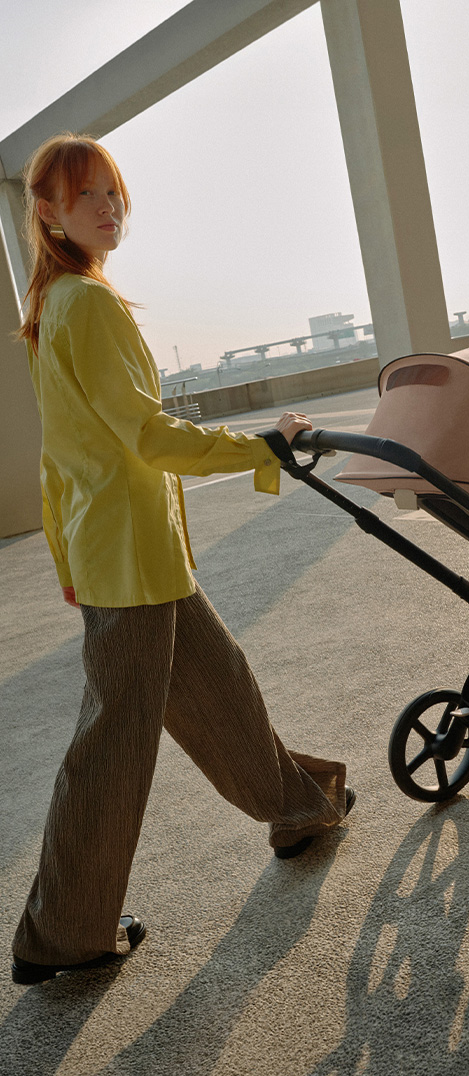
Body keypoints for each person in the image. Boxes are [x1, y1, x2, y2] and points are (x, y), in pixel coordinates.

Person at [10, 133, 354, 986]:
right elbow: (150, 437)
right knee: (113, 743)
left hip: (124, 558)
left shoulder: (56, 305)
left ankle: (301, 811)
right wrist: (265, 444)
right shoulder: (86, 305)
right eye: (87, 197)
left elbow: (60, 458)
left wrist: (65, 558)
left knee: (221, 690)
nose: (108, 208)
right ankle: (63, 933)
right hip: (127, 560)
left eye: (115, 194)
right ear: (47, 212)